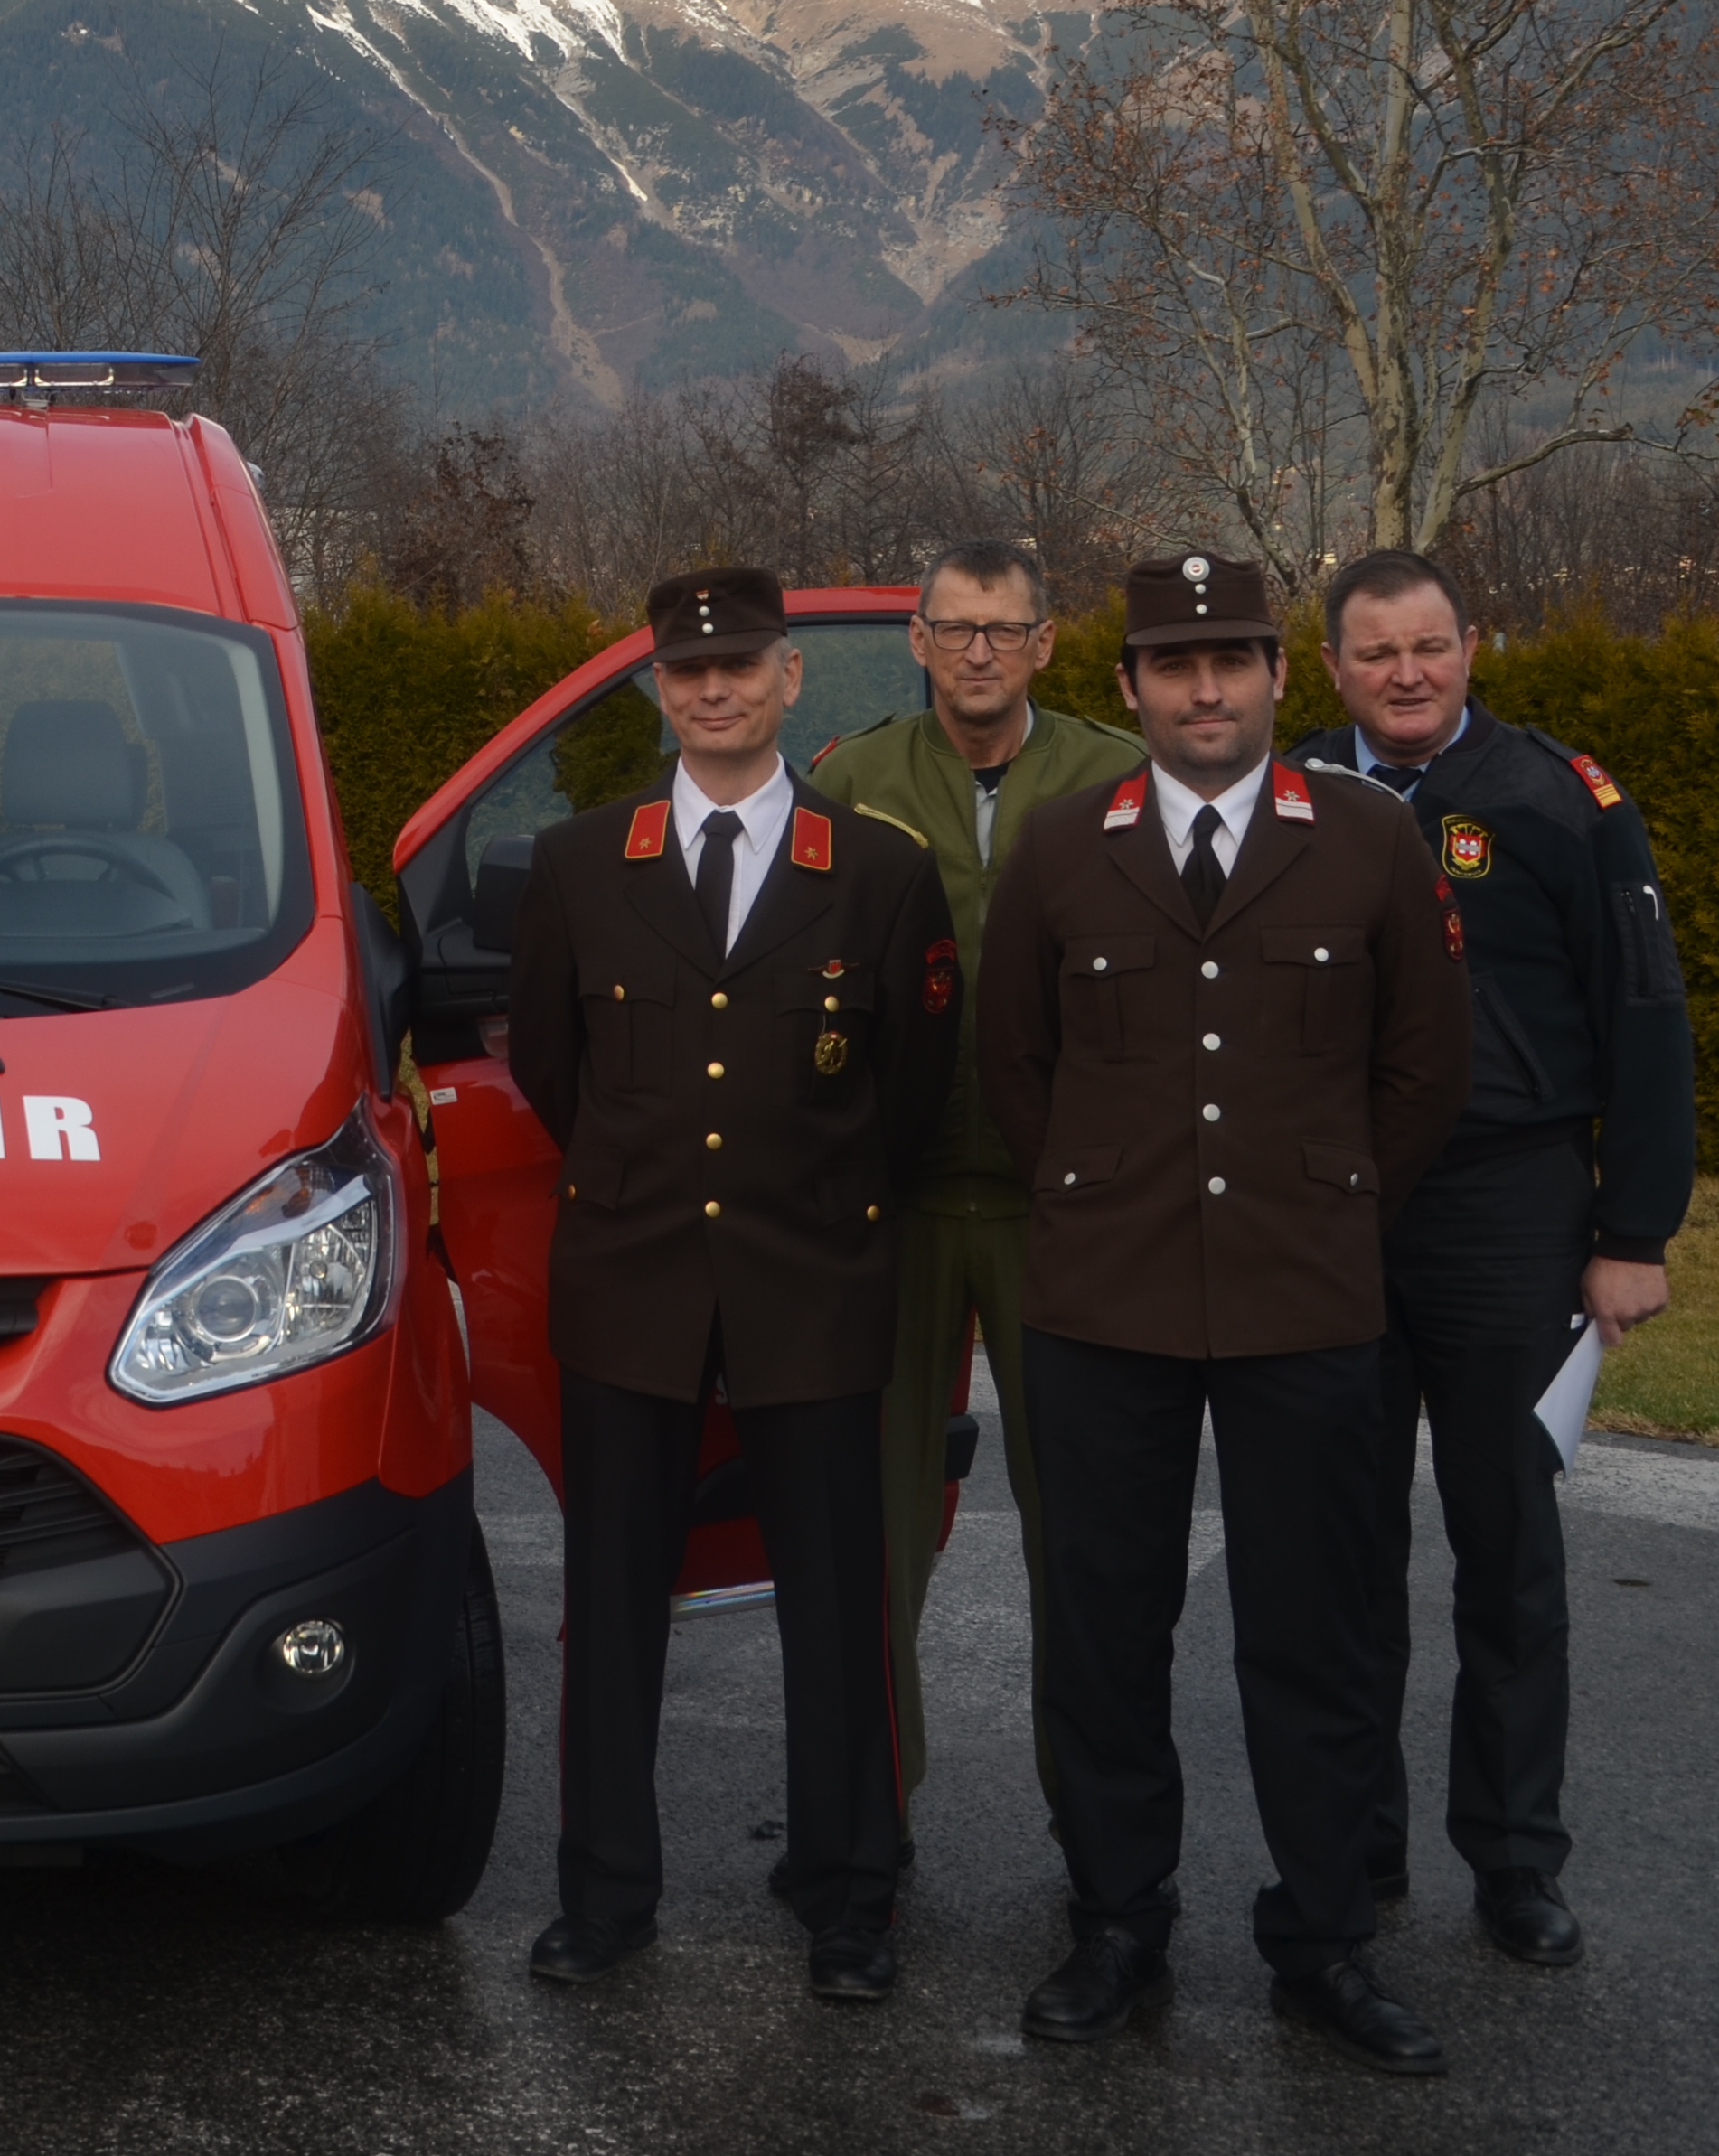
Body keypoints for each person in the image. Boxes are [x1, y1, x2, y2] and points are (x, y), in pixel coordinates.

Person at [980, 552, 1470, 2075]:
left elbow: (1422, 1070)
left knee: (1314, 1636)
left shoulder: (1373, 845)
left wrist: (1326, 1210)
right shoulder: (1063, 850)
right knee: (1106, 1629)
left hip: (1306, 1296)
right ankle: (1117, 1920)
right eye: (1177, 666)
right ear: (1125, 687)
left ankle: (1323, 1938)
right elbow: (1015, 1074)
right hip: (1105, 1298)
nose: (1207, 690)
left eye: (1235, 662)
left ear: (1279, 678)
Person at [507, 565, 957, 2001]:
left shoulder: (877, 872)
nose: (715, 690)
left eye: (743, 667)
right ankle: (603, 1896)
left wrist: (803, 1196)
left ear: (790, 681)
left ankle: (848, 1894)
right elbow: (552, 1071)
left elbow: (910, 1091)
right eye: (689, 671)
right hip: (633, 1278)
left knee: (837, 1601)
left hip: (811, 1275)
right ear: (656, 687)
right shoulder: (582, 865)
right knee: (615, 1599)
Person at [1301, 549, 1693, 1967]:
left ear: (1474, 647)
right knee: (1337, 1552)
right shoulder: (1293, 800)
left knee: (1507, 1552)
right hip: (1333, 1212)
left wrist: (1633, 1230)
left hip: (1509, 1209)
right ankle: (1357, 1844)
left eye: (1431, 646)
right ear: (1330, 664)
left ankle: (1518, 1860)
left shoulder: (1558, 800)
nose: (1407, 674)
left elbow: (1643, 1009)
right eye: (1375, 651)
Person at [807, 539, 1144, 1840]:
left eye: (1005, 629)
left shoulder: (1117, 776)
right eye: (956, 630)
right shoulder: (855, 779)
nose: (980, 653)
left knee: (1086, 1526)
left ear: (1046, 643)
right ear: (918, 641)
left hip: (1060, 1202)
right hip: (892, 1199)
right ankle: (868, 1816)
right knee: (876, 1530)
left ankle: (1099, 1832)